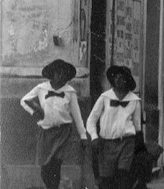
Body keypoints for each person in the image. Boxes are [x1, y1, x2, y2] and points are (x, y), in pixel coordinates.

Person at [22, 59, 88, 189]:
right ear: (52, 74)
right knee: (45, 168)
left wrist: (83, 135)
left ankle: (53, 187)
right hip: (46, 132)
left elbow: (77, 115)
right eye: (58, 73)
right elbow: (24, 100)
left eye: (64, 73)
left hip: (62, 133)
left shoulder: (70, 92)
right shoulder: (42, 88)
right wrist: (34, 111)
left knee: (55, 164)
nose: (61, 76)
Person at [86, 65, 142, 189]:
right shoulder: (105, 97)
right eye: (116, 77)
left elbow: (137, 126)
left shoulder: (134, 100)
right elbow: (91, 119)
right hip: (106, 144)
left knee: (123, 176)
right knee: (107, 180)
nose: (118, 80)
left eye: (122, 77)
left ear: (127, 80)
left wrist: (139, 146)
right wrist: (94, 137)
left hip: (126, 143)